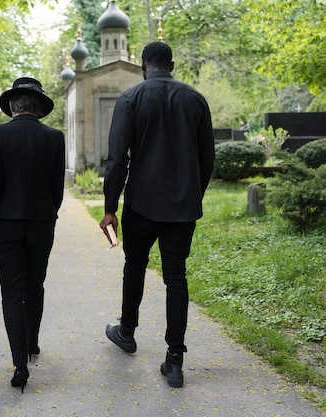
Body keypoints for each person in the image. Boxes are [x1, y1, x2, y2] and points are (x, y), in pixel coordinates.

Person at [100, 41, 215, 388]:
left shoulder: (131, 99)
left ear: (142, 65)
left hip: (141, 203)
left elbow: (117, 158)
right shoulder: (195, 100)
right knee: (176, 276)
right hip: (182, 207)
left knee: (134, 266)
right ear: (172, 65)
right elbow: (207, 158)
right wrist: (194, 194)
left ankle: (127, 332)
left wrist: (110, 206)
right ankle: (175, 360)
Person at [0, 77, 65, 393]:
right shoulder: (55, 137)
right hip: (41, 223)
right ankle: (32, 342)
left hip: (6, 225)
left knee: (11, 292)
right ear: (38, 108)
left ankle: (20, 364)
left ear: (13, 106)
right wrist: (48, 213)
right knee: (35, 283)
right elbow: (57, 190)